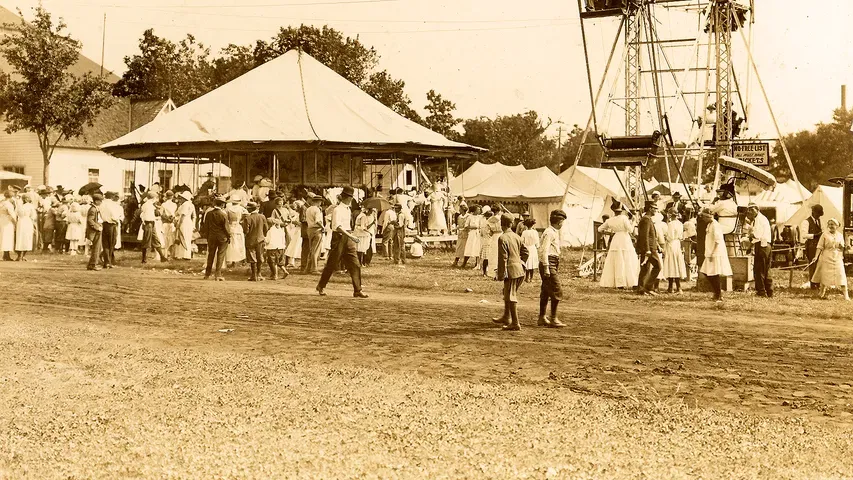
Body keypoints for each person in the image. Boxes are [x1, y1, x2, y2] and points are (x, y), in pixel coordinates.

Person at [316, 186, 368, 298]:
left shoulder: (348, 209)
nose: (351, 200)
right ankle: (321, 285)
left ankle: (357, 290)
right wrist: (351, 236)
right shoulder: (337, 209)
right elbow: (337, 226)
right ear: (346, 198)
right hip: (339, 237)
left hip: (348, 236)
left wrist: (350, 236)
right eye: (350, 197)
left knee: (355, 264)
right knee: (332, 263)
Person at [492, 215, 526, 331]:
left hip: (511, 271)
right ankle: (506, 316)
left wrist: (500, 274)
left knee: (511, 295)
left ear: (502, 225)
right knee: (507, 293)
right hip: (519, 270)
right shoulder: (517, 237)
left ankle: (515, 323)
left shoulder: (502, 238)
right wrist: (521, 262)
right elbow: (525, 252)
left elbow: (503, 258)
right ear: (511, 224)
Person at [598, 201, 639, 289]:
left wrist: (608, 232)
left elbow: (599, 229)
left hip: (616, 239)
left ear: (614, 211)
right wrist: (633, 221)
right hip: (624, 238)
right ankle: (632, 282)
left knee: (617, 260)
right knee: (628, 260)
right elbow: (631, 230)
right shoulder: (624, 218)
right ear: (621, 210)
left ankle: (619, 283)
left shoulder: (610, 220)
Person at [538, 210, 567, 328]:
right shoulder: (549, 232)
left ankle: (542, 318)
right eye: (562, 222)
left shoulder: (552, 232)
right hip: (549, 262)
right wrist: (546, 267)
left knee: (546, 290)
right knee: (556, 289)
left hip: (552, 262)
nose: (562, 224)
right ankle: (553, 318)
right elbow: (544, 250)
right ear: (559, 221)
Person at [699, 208, 732, 302]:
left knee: (713, 273)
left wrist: (713, 253)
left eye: (703, 217)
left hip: (715, 253)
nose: (703, 219)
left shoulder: (715, 225)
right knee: (707, 272)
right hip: (710, 252)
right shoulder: (710, 224)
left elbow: (718, 241)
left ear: (707, 216)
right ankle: (717, 292)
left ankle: (719, 295)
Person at [812, 218, 848, 300]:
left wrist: (843, 247)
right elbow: (819, 247)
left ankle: (846, 295)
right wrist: (816, 257)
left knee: (841, 274)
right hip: (826, 257)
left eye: (833, 224)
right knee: (825, 275)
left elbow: (842, 247)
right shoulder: (825, 235)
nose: (831, 226)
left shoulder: (840, 235)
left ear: (837, 226)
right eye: (830, 224)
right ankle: (822, 292)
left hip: (837, 257)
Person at [747, 203, 773, 298]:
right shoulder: (760, 219)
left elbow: (757, 235)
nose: (750, 211)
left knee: (759, 270)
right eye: (749, 210)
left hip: (762, 246)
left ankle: (761, 292)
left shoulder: (759, 219)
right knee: (765, 270)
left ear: (757, 210)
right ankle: (769, 291)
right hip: (765, 245)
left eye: (752, 209)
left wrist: (750, 234)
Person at [636, 201, 662, 295]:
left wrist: (657, 245)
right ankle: (648, 287)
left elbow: (651, 235)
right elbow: (645, 236)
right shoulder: (646, 220)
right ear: (650, 209)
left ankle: (641, 289)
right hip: (649, 249)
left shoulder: (647, 219)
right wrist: (647, 249)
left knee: (645, 268)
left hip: (650, 247)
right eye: (654, 208)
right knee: (658, 266)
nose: (656, 210)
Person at [202, 197, 230, 281]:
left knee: (211, 255)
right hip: (222, 237)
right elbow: (226, 228)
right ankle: (217, 274)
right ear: (222, 204)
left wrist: (207, 236)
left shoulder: (209, 213)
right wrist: (229, 236)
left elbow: (205, 226)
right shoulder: (223, 214)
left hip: (212, 237)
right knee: (220, 255)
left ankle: (207, 274)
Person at [662, 209, 687, 294]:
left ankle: (672, 287)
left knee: (672, 264)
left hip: (671, 244)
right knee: (676, 264)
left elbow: (670, 236)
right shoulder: (680, 224)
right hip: (677, 244)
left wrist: (665, 236)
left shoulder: (670, 224)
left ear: (670, 215)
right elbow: (681, 236)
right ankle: (676, 287)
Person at [242, 202, 268, 281]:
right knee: (260, 256)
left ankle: (254, 275)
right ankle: (259, 274)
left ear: (250, 209)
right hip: (260, 239)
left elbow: (246, 231)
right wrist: (263, 235)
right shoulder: (262, 217)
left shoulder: (247, 218)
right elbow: (266, 228)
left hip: (250, 240)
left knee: (252, 257)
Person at [140, 191, 168, 263]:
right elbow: (147, 216)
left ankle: (162, 257)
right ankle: (144, 259)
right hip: (148, 223)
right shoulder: (148, 205)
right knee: (146, 241)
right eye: (155, 198)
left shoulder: (149, 205)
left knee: (155, 239)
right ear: (153, 198)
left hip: (151, 224)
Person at [800, 204, 824, 290]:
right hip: (811, 246)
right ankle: (813, 284)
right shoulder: (806, 222)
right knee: (813, 265)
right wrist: (815, 235)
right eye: (817, 214)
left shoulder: (820, 221)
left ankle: (818, 283)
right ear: (813, 212)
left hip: (819, 246)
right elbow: (803, 235)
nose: (818, 216)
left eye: (819, 215)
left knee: (819, 265)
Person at [264, 203, 288, 280]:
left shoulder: (270, 231)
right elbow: (283, 240)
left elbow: (268, 240)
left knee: (273, 262)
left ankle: (275, 275)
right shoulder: (281, 231)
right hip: (281, 247)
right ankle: (284, 270)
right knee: (280, 262)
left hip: (272, 248)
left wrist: (264, 240)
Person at [303, 193, 325, 274]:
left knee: (312, 249)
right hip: (317, 229)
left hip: (309, 229)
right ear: (318, 201)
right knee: (316, 250)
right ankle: (314, 268)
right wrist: (323, 227)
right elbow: (317, 221)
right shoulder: (317, 209)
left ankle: (307, 268)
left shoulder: (308, 209)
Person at [99, 192, 121, 268]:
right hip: (111, 225)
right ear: (112, 197)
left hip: (104, 224)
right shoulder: (113, 205)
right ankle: (108, 261)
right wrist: (117, 219)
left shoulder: (101, 204)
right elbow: (114, 216)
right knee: (111, 243)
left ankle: (106, 262)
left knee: (105, 244)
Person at [225, 195, 248, 267]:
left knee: (232, 244)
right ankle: (242, 259)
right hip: (238, 226)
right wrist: (241, 220)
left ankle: (232, 261)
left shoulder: (228, 209)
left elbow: (225, 217)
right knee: (240, 243)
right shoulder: (242, 209)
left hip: (231, 226)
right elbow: (247, 215)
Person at [173, 191, 195, 260]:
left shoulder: (185, 204)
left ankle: (183, 255)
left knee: (182, 237)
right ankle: (185, 254)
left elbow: (183, 215)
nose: (180, 199)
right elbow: (194, 216)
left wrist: (179, 224)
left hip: (184, 222)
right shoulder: (191, 205)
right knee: (186, 237)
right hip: (189, 222)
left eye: (182, 198)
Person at [14, 195, 36, 261]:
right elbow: (33, 215)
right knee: (26, 238)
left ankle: (20, 256)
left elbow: (15, 214)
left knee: (20, 237)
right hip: (27, 221)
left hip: (21, 222)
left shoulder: (19, 206)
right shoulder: (30, 206)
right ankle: (22, 255)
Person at [85, 194, 104, 271]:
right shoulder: (93, 209)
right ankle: (93, 264)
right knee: (96, 248)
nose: (101, 202)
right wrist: (97, 227)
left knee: (97, 248)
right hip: (95, 231)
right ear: (96, 201)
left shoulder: (95, 208)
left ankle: (92, 264)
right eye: (100, 201)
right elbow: (90, 220)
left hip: (97, 230)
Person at [283, 199, 303, 268]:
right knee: (294, 245)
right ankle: (291, 261)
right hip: (296, 230)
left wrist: (296, 222)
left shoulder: (300, 214)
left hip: (299, 230)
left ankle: (298, 261)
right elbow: (294, 221)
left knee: (297, 245)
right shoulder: (296, 214)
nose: (296, 208)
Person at [520, 219, 539, 283]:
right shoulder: (535, 232)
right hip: (533, 248)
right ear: (533, 225)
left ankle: (527, 277)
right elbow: (537, 242)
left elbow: (521, 241)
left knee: (527, 263)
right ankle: (531, 278)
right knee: (532, 263)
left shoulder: (524, 232)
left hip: (526, 248)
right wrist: (537, 246)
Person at [0, 191, 15, 261]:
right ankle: (6, 255)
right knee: (7, 237)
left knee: (2, 237)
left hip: (1, 219)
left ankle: (5, 254)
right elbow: (12, 214)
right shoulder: (8, 204)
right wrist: (15, 222)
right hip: (7, 221)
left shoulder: (1, 203)